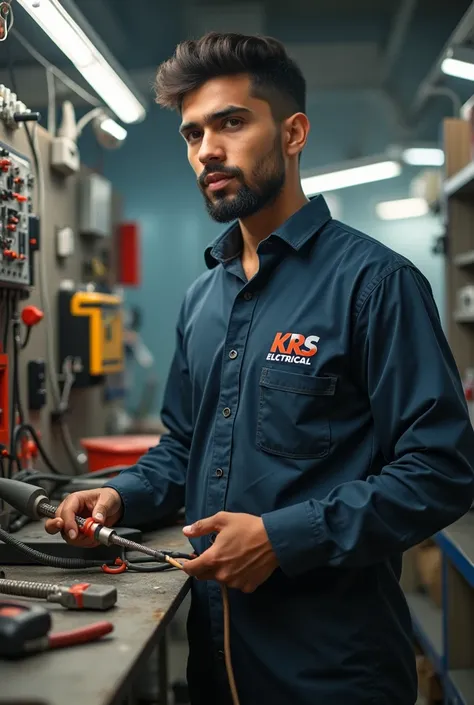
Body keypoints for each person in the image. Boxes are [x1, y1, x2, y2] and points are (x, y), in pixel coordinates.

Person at [46, 33, 474, 705]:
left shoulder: (375, 284)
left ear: (294, 131)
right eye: (192, 134)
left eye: (231, 123)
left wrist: (282, 538)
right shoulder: (201, 298)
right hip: (217, 663)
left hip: (333, 671)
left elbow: (441, 469)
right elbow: (184, 449)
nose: (207, 150)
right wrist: (121, 496)